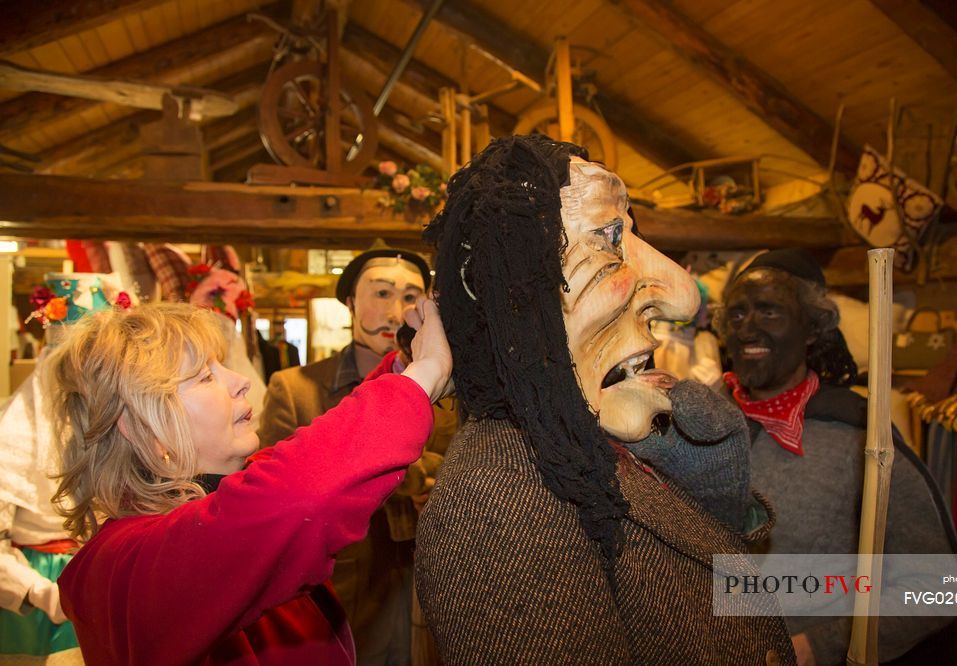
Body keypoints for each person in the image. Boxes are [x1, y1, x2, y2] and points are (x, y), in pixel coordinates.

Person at [415, 135, 795, 664]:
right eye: (608, 239)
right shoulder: (497, 505)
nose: (681, 294)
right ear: (511, 295)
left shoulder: (579, 444)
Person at [47, 299, 451, 665]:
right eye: (205, 376)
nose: (239, 380)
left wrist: (403, 364)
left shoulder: (214, 498)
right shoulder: (121, 566)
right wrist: (422, 377)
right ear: (146, 429)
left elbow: (316, 456)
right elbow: (300, 495)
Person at [715, 248, 957, 665]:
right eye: (737, 315)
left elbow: (943, 585)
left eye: (769, 312)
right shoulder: (700, 422)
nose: (748, 329)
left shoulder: (860, 439)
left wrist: (817, 646)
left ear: (812, 328)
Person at [259, 242, 456, 666]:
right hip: (346, 590)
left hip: (430, 582)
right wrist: (421, 475)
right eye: (381, 293)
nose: (394, 310)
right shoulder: (294, 389)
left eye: (409, 297)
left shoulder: (450, 386)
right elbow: (276, 499)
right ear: (350, 302)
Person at [0, 272, 133, 664]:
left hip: (105, 593)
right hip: (31, 607)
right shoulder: (11, 433)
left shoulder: (123, 427)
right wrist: (42, 592)